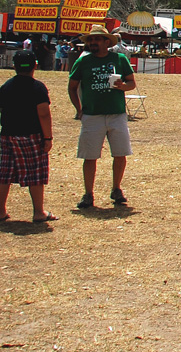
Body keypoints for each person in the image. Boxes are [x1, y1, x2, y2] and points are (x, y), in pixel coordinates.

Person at [67, 24, 137, 209]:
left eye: (97, 39)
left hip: (117, 114)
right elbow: (72, 87)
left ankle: (116, 189)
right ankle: (88, 194)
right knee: (90, 156)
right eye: (91, 39)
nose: (93, 43)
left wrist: (123, 86)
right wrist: (79, 109)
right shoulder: (83, 62)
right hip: (92, 115)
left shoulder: (119, 59)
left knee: (120, 154)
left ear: (107, 42)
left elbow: (132, 83)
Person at [0, 51, 57, 223]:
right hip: (31, 136)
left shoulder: (5, 87)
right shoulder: (38, 87)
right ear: (35, 65)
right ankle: (38, 212)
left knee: (4, 174)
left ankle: (0, 210)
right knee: (35, 174)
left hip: (8, 135)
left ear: (14, 66)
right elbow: (44, 114)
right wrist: (48, 138)